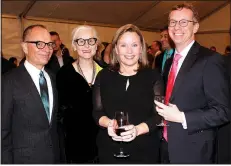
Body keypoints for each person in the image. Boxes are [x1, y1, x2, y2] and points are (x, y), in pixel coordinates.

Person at [155, 3, 230, 164]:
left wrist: (182, 117)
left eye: (184, 22)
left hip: (194, 151)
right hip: (165, 146)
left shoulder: (210, 60)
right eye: (173, 22)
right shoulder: (168, 62)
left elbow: (223, 111)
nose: (177, 27)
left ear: (195, 27)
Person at [92, 24, 163, 164]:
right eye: (123, 45)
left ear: (141, 48)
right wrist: (109, 124)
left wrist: (137, 130)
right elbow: (97, 112)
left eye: (134, 45)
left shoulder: (153, 76)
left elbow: (159, 115)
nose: (129, 51)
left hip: (145, 150)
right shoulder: (104, 75)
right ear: (116, 49)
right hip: (109, 149)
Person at [1, 24, 64, 164]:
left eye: (49, 44)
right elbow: (2, 132)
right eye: (39, 44)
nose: (47, 49)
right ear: (24, 47)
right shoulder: (8, 81)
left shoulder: (53, 78)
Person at [56, 25, 102, 163]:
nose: (86, 45)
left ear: (97, 44)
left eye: (91, 40)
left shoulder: (107, 72)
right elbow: (60, 113)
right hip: (76, 145)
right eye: (81, 41)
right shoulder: (64, 74)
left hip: (104, 142)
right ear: (74, 46)